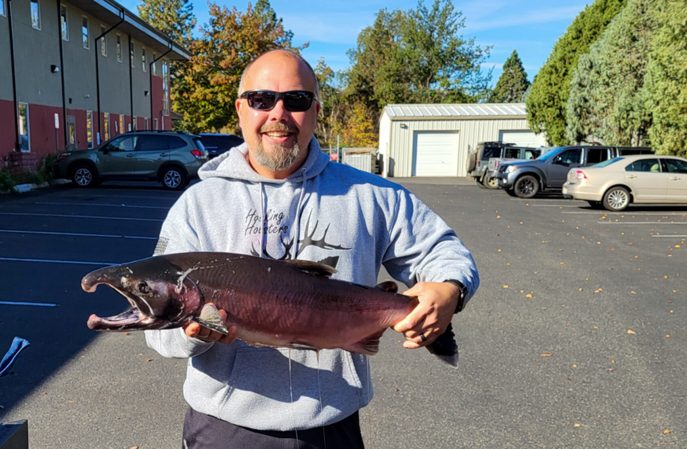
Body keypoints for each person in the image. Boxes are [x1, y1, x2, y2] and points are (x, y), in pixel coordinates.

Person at [145, 49, 479, 449]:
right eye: (261, 99)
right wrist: (194, 334)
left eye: (297, 100)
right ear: (240, 109)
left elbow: (443, 252)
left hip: (331, 427)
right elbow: (160, 331)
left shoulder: (372, 195)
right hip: (223, 428)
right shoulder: (197, 205)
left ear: (316, 111)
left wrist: (449, 289)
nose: (279, 113)